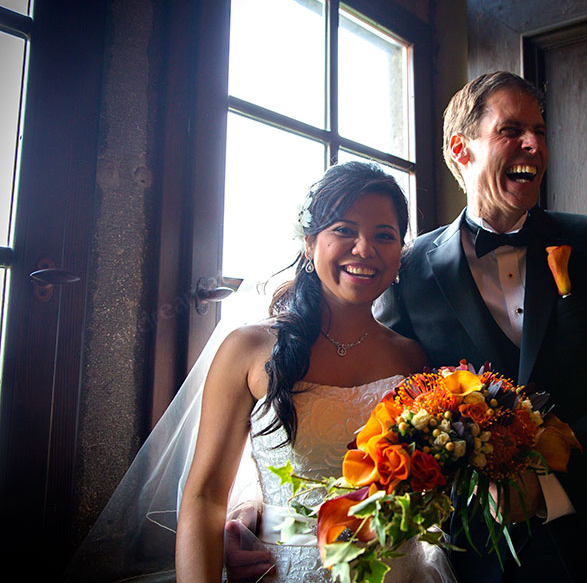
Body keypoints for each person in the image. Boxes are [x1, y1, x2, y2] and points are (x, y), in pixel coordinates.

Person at [374, 72, 587, 581]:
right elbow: (383, 398)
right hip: (480, 558)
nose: (534, 144)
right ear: (461, 149)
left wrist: (551, 470)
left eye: (541, 132)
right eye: (512, 130)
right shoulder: (408, 271)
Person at [65, 162, 455, 582]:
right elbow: (205, 497)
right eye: (344, 230)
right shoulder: (249, 350)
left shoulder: (412, 360)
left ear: (400, 250)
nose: (364, 249)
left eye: (384, 235)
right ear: (309, 242)